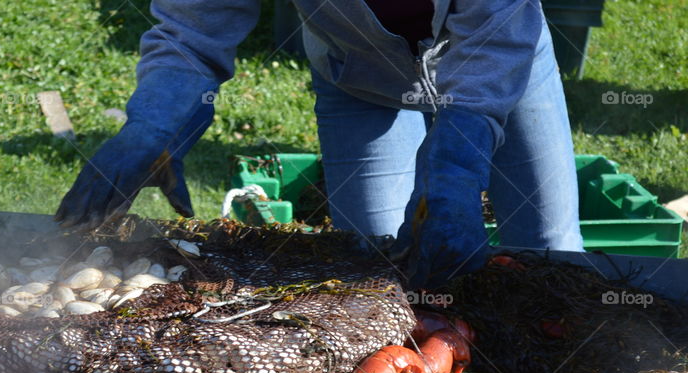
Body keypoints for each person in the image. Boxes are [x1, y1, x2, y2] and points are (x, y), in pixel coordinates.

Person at [55, 1, 584, 289]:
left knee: (550, 250)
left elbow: (497, 29)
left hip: (496, 62)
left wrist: (455, 172)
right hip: (356, 77)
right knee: (373, 274)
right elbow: (193, 31)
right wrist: (153, 128)